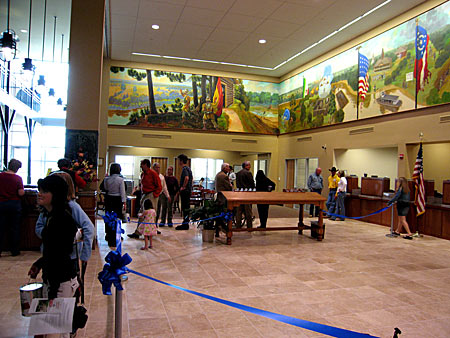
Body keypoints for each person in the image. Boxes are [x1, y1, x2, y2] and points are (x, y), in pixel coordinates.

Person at [28, 175, 79, 303]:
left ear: (55, 194)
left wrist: (53, 292)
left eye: (45, 191)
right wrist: (39, 264)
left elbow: (60, 257)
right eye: (40, 190)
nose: (40, 194)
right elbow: (53, 251)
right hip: (56, 280)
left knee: (57, 320)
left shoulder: (61, 219)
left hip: (61, 283)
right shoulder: (52, 215)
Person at [36, 171, 94, 266]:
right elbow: (39, 226)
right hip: (49, 252)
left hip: (69, 256)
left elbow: (89, 227)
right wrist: (49, 235)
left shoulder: (72, 207)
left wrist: (85, 255)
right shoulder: (47, 208)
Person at [128, 159, 161, 238]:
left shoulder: (153, 174)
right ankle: (138, 232)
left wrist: (154, 195)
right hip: (144, 194)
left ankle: (150, 233)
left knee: (150, 214)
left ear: (146, 165)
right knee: (141, 213)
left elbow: (159, 186)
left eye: (142, 164)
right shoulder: (143, 174)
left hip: (151, 194)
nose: (140, 166)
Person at [0, 159, 24, 257]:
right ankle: (14, 250)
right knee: (14, 228)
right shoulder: (17, 178)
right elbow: (20, 193)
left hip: (1, 204)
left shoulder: (0, 176)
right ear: (17, 168)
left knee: (0, 228)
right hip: (14, 205)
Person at [100, 163, 126, 246]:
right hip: (117, 200)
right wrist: (124, 202)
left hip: (109, 199)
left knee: (108, 218)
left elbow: (105, 189)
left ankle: (108, 235)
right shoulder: (120, 179)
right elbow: (122, 192)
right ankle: (116, 236)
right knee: (117, 219)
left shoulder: (106, 179)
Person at [214, 163, 232, 236]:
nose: (229, 169)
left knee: (219, 213)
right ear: (224, 168)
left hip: (218, 195)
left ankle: (217, 229)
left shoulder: (218, 174)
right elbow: (228, 187)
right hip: (223, 197)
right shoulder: (224, 176)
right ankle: (226, 228)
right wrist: (230, 185)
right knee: (225, 212)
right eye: (228, 168)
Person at [235, 161, 255, 228]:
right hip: (247, 194)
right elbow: (252, 183)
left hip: (239, 194)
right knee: (248, 211)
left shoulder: (238, 173)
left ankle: (238, 225)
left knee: (239, 211)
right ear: (246, 166)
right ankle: (249, 226)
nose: (250, 167)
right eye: (249, 165)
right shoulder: (248, 173)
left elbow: (237, 184)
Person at [176, 154, 193, 230]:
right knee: (186, 207)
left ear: (181, 161)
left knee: (185, 207)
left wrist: (183, 187)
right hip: (188, 191)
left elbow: (186, 178)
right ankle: (185, 222)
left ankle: (185, 224)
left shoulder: (185, 169)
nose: (178, 162)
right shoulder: (189, 168)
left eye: (179, 160)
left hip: (185, 191)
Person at [153, 162, 171, 227]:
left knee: (158, 211)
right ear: (153, 168)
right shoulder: (151, 175)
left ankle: (155, 226)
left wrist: (168, 196)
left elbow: (164, 187)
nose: (158, 169)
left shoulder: (161, 177)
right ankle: (151, 226)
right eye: (157, 167)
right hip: (152, 195)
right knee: (152, 211)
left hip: (159, 195)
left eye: (159, 167)